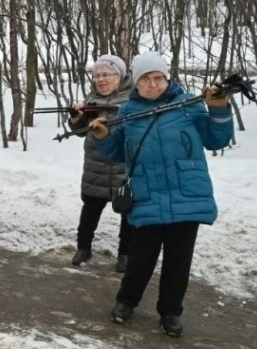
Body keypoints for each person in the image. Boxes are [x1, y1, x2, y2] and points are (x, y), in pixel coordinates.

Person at [89, 51, 233, 338]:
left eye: (159, 78)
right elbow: (116, 152)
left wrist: (218, 110)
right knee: (140, 258)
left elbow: (216, 139)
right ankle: (126, 302)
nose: (153, 85)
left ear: (167, 79)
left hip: (187, 194)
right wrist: (102, 137)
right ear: (136, 83)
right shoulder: (129, 112)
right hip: (146, 195)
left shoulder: (188, 106)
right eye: (146, 79)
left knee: (178, 262)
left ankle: (170, 312)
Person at [66, 54, 133, 271]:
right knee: (90, 210)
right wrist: (76, 116)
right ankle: (83, 247)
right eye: (96, 76)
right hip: (96, 165)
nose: (100, 80)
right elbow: (78, 132)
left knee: (128, 212)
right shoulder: (90, 100)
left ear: (119, 77)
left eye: (106, 75)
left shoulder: (134, 101)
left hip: (124, 165)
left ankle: (125, 253)